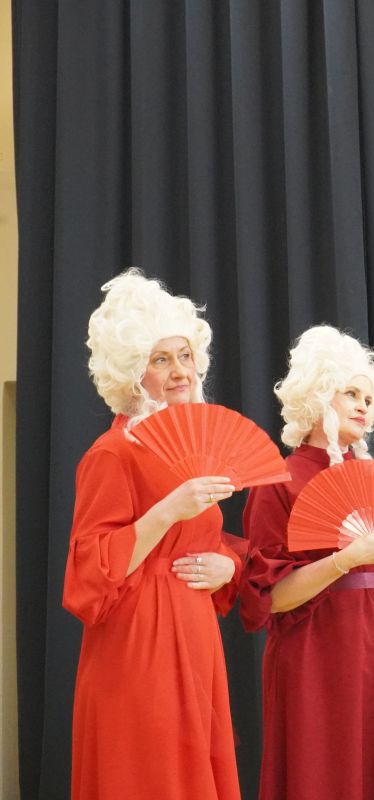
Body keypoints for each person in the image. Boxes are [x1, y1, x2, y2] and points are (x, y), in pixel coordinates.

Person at [240, 326, 374, 800]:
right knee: (323, 777)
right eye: (351, 393)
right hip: (315, 661)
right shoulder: (279, 481)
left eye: (368, 398)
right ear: (318, 395)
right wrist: (344, 561)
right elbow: (272, 599)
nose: (363, 406)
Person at [64, 268, 242, 799]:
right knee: (149, 774)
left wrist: (229, 565)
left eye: (184, 355)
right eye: (160, 359)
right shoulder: (110, 454)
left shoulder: (196, 448)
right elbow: (89, 569)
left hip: (195, 633)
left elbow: (206, 543)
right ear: (131, 371)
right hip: (138, 642)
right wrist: (165, 511)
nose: (179, 371)